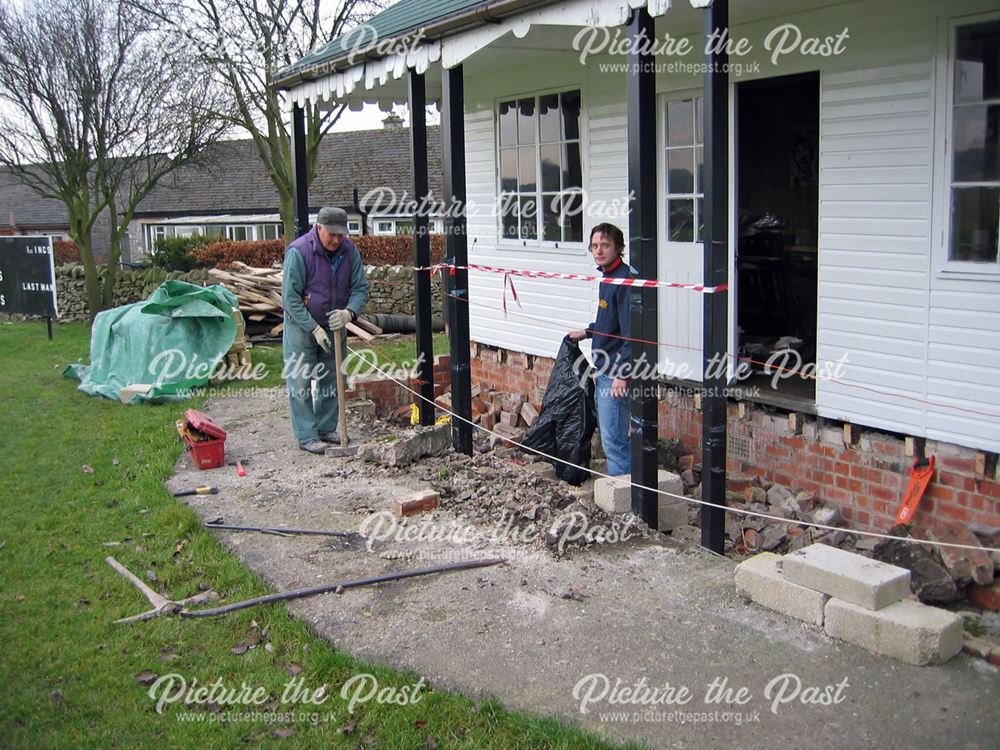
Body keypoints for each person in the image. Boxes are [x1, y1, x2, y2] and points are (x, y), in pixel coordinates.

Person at [281, 206, 369, 454]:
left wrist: (348, 313)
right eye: (332, 234)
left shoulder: (350, 251)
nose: (337, 239)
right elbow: (290, 299)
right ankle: (307, 435)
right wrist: (312, 327)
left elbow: (360, 287)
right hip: (301, 326)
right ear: (318, 228)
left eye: (341, 234)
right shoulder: (299, 252)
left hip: (335, 325)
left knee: (334, 378)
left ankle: (325, 427)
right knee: (300, 381)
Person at [569, 223, 633, 477]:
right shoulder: (609, 277)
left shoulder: (624, 281)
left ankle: (627, 500)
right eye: (595, 246)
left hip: (615, 374)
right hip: (605, 369)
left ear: (618, 248)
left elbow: (632, 334)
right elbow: (611, 323)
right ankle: (627, 491)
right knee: (612, 439)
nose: (599, 250)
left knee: (614, 442)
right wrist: (588, 331)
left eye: (605, 245)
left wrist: (622, 374)